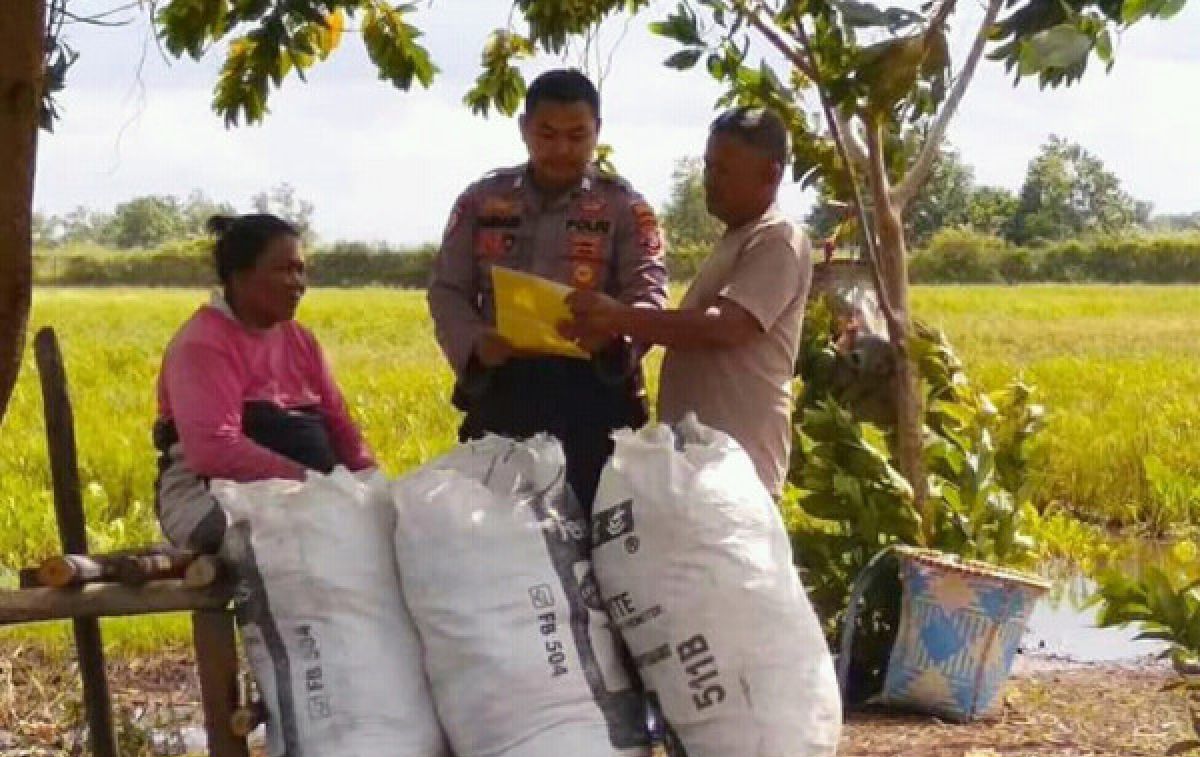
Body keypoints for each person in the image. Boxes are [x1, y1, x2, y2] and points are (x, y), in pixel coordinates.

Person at [428, 68, 667, 513]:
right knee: (499, 535)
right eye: (547, 134)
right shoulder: (481, 200)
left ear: (598, 132)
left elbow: (648, 294)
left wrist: (615, 332)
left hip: (595, 395)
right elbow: (447, 290)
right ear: (524, 129)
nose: (561, 149)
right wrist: (477, 343)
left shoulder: (624, 207)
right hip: (504, 391)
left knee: (594, 539)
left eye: (577, 136)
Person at [564, 107, 812, 497]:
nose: (710, 182)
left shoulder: (777, 239)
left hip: (738, 470)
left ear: (771, 174)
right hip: (700, 465)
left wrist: (618, 318)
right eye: (709, 167)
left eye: (724, 171)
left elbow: (725, 327)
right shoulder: (738, 238)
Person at [154, 213, 376, 552]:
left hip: (308, 494)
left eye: (300, 270)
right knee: (274, 546)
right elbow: (215, 451)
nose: (297, 283)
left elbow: (338, 423)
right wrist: (313, 484)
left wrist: (370, 483)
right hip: (209, 498)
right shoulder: (204, 344)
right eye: (283, 270)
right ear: (240, 275)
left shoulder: (299, 340)